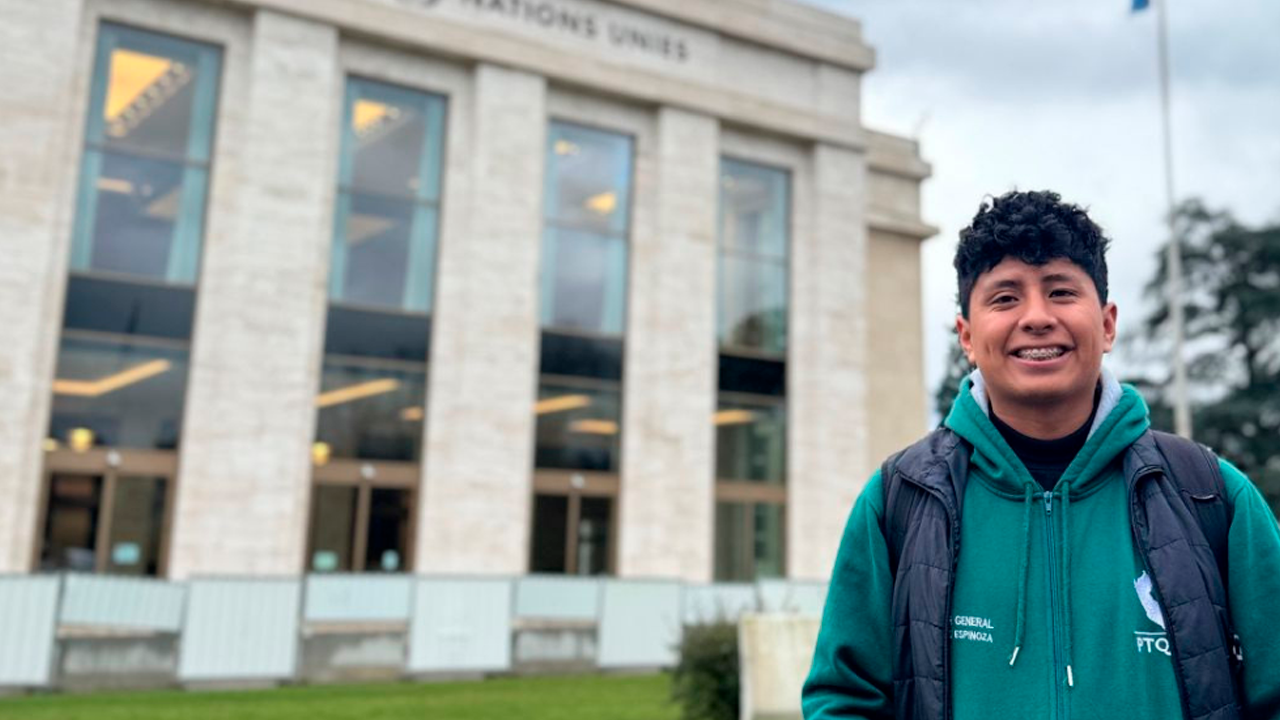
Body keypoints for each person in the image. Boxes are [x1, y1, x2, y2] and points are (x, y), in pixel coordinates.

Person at [802, 190, 1280, 720]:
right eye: (1005, 298)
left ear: (1107, 324)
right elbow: (845, 699)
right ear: (967, 336)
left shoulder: (1212, 496)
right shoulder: (900, 499)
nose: (1036, 317)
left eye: (1061, 291)